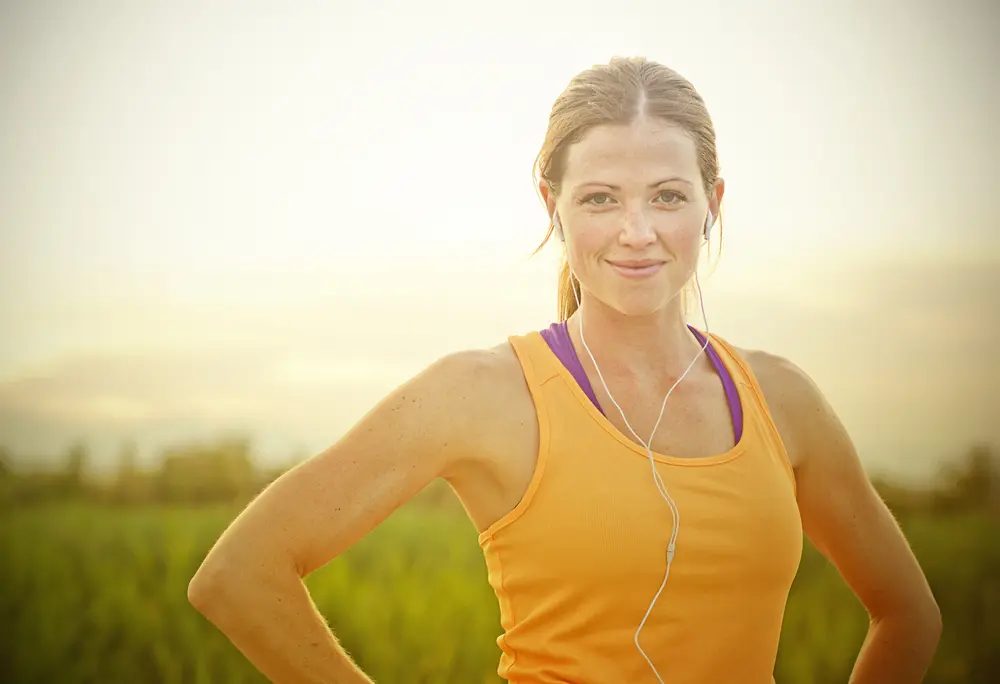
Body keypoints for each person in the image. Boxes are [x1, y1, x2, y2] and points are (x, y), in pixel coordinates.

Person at [188, 56, 942, 683]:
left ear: (711, 203)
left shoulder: (782, 400)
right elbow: (239, 575)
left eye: (668, 197)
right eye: (601, 199)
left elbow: (908, 612)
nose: (637, 232)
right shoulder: (482, 394)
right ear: (553, 206)